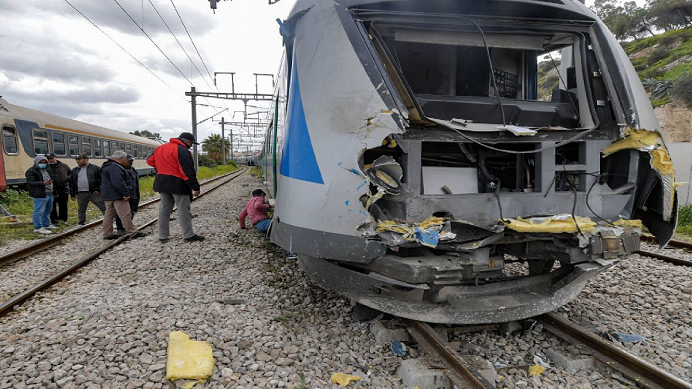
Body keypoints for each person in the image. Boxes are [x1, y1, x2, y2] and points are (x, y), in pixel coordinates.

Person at [146, 132, 204, 243]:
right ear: (186, 141)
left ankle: (163, 236)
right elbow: (187, 171)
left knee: (164, 209)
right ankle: (188, 235)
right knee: (183, 210)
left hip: (161, 182)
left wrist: (163, 167)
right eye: (191, 143)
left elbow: (150, 161)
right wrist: (195, 187)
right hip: (177, 183)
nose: (191, 145)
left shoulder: (161, 148)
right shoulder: (182, 151)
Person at [101, 150, 145, 240]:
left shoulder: (106, 166)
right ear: (121, 158)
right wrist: (125, 193)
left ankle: (107, 233)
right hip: (117, 196)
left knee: (108, 214)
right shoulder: (115, 167)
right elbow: (118, 182)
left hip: (108, 195)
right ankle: (132, 232)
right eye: (125, 158)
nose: (126, 160)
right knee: (125, 214)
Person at [70, 153, 106, 225]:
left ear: (86, 159)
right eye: (77, 160)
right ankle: (81, 223)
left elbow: (103, 180)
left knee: (103, 207)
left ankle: (109, 221)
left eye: (80, 159)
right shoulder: (75, 170)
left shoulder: (95, 168)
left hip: (93, 192)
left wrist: (98, 189)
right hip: (81, 193)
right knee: (81, 209)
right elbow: (72, 182)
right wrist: (72, 194)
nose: (78, 161)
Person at [25, 156, 57, 234]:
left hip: (49, 193)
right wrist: (43, 183)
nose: (43, 164)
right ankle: (38, 227)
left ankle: (46, 224)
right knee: (38, 211)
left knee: (48, 210)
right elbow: (30, 182)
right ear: (36, 162)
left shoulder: (47, 170)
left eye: (44, 162)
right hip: (40, 194)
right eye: (41, 162)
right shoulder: (31, 171)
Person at [115, 154, 140, 235]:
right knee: (122, 213)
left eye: (132, 160)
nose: (131, 162)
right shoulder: (120, 170)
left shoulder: (133, 170)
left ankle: (128, 226)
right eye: (129, 160)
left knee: (131, 212)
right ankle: (120, 228)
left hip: (134, 194)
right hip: (125, 195)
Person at [46, 153, 71, 226]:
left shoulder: (64, 166)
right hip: (51, 190)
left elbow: (70, 174)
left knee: (63, 206)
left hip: (63, 190)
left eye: (51, 158)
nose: (50, 160)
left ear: (55, 158)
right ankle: (54, 221)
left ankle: (63, 220)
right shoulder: (46, 167)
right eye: (48, 159)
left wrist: (67, 179)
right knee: (52, 207)